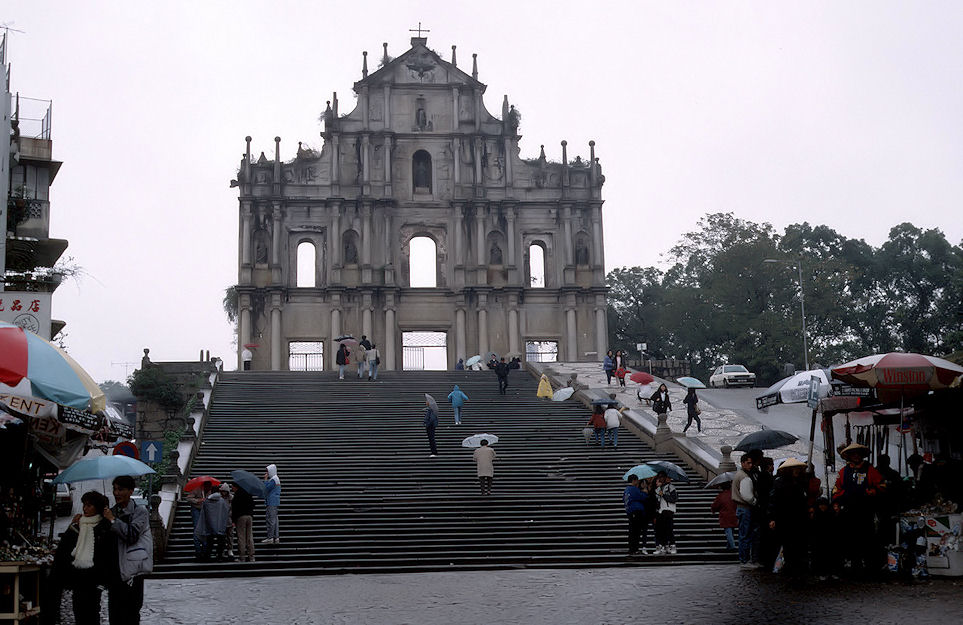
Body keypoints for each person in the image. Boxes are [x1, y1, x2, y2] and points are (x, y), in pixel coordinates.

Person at [103, 475, 152, 625]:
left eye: (121, 489)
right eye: (115, 489)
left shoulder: (140, 512)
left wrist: (112, 520)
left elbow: (132, 535)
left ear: (130, 491)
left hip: (132, 571)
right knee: (115, 613)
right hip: (115, 571)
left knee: (131, 612)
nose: (116, 493)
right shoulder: (111, 512)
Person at [59, 490, 112, 625]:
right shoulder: (78, 524)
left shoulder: (103, 526)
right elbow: (65, 546)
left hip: (94, 577)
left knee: (92, 612)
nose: (85, 508)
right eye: (84, 505)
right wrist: (72, 526)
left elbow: (106, 553)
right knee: (78, 610)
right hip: (78, 576)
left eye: (89, 505)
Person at [832, 442, 883, 575]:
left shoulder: (870, 469)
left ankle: (870, 567)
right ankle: (855, 566)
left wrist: (873, 491)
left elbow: (881, 485)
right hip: (849, 510)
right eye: (853, 454)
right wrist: (837, 501)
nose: (855, 456)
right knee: (851, 538)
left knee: (867, 538)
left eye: (858, 454)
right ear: (849, 456)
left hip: (866, 510)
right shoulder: (844, 471)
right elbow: (836, 489)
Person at [768, 458, 809, 576]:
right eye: (794, 469)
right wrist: (772, 517)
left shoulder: (800, 482)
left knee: (799, 544)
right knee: (788, 544)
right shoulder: (779, 483)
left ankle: (797, 567)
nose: (796, 471)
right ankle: (790, 567)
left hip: (799, 518)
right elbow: (773, 500)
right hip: (785, 518)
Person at [731, 453, 758, 568]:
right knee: (745, 534)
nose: (750, 465)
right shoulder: (744, 477)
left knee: (744, 534)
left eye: (751, 463)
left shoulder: (740, 475)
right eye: (748, 463)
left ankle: (744, 559)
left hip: (741, 508)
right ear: (742, 463)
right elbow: (747, 496)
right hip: (745, 508)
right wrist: (755, 502)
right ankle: (744, 560)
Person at [809, 496, 841, 580]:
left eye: (824, 505)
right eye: (821, 505)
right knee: (818, 556)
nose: (822, 507)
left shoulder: (830, 514)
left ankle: (830, 572)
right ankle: (820, 572)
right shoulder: (815, 515)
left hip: (828, 539)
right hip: (818, 540)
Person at [196, 484, 230, 561]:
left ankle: (207, 555)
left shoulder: (207, 501)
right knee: (221, 541)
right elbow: (225, 511)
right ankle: (219, 555)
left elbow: (204, 513)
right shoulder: (222, 501)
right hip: (220, 524)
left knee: (210, 541)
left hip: (209, 524)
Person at [653, 472, 678, 554]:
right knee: (662, 530)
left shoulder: (671, 487)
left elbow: (674, 499)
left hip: (669, 510)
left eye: (662, 477)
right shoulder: (658, 488)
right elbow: (657, 500)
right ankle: (664, 546)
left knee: (669, 529)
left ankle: (673, 545)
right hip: (661, 511)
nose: (660, 478)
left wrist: (663, 495)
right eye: (659, 477)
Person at [230, 482, 255, 562]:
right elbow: (253, 504)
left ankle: (242, 557)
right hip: (249, 516)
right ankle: (251, 556)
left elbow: (234, 509)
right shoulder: (248, 493)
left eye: (232, 487)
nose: (232, 489)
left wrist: (233, 520)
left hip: (240, 517)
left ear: (235, 487)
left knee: (241, 537)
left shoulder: (237, 496)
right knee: (249, 536)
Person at [623, 474, 648, 556]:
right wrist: (645, 491)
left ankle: (632, 549)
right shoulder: (633, 489)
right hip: (636, 511)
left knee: (632, 531)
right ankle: (635, 549)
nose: (637, 482)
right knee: (636, 532)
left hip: (630, 512)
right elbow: (642, 497)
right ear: (634, 480)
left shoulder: (626, 489)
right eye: (637, 480)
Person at [186, 480, 211, 560]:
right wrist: (198, 500)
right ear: (204, 486)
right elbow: (189, 498)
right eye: (207, 488)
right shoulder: (197, 489)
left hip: (205, 510)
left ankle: (204, 549)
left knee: (205, 529)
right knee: (197, 528)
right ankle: (198, 550)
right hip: (196, 509)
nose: (208, 489)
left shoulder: (210, 492)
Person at [710, 482, 737, 551]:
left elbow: (715, 505)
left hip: (725, 516)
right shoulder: (733, 495)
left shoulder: (721, 496)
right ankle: (729, 546)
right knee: (731, 531)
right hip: (733, 515)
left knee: (728, 532)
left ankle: (732, 546)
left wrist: (713, 510)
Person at [262, 464, 281, 544]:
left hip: (271, 501)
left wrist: (265, 480)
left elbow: (266, 489)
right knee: (275, 520)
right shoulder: (276, 479)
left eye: (267, 471)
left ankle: (270, 537)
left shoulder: (273, 479)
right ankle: (276, 537)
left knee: (271, 519)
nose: (266, 473)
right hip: (274, 501)